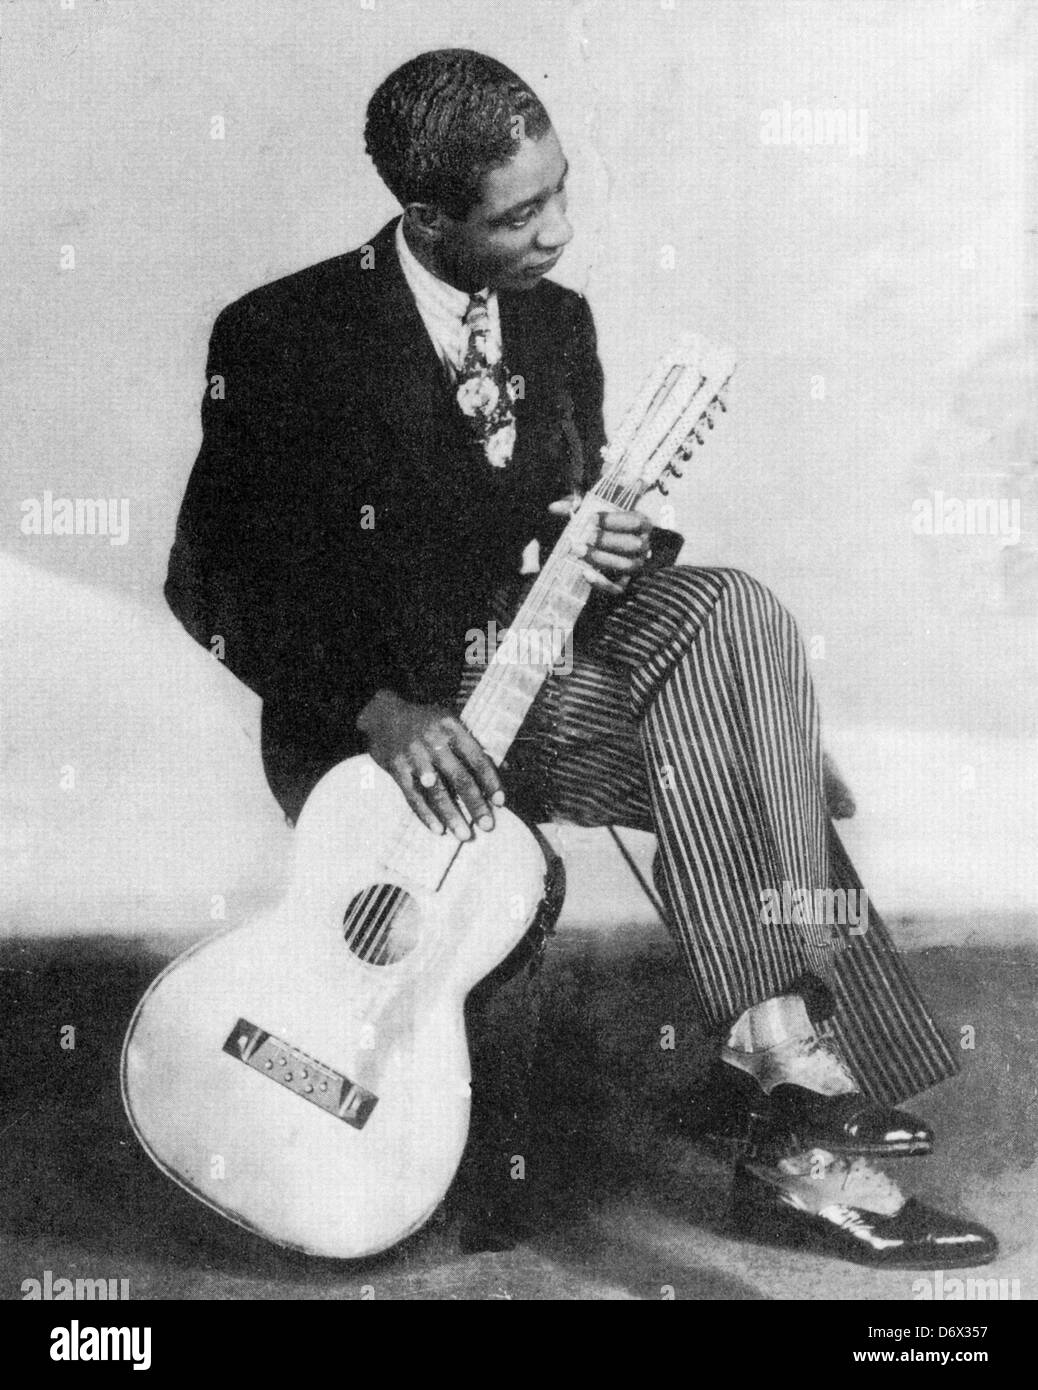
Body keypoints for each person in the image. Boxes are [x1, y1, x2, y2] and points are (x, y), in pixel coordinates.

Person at [166, 47, 997, 1267]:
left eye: (562, 190)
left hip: (547, 669)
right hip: (398, 722)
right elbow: (211, 579)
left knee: (740, 615)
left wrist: (601, 536)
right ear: (427, 217)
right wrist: (376, 707)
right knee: (740, 739)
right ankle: (795, 1127)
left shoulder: (559, 323)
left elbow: (560, 525)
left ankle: (773, 1053)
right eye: (522, 213)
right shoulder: (286, 335)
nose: (561, 230)